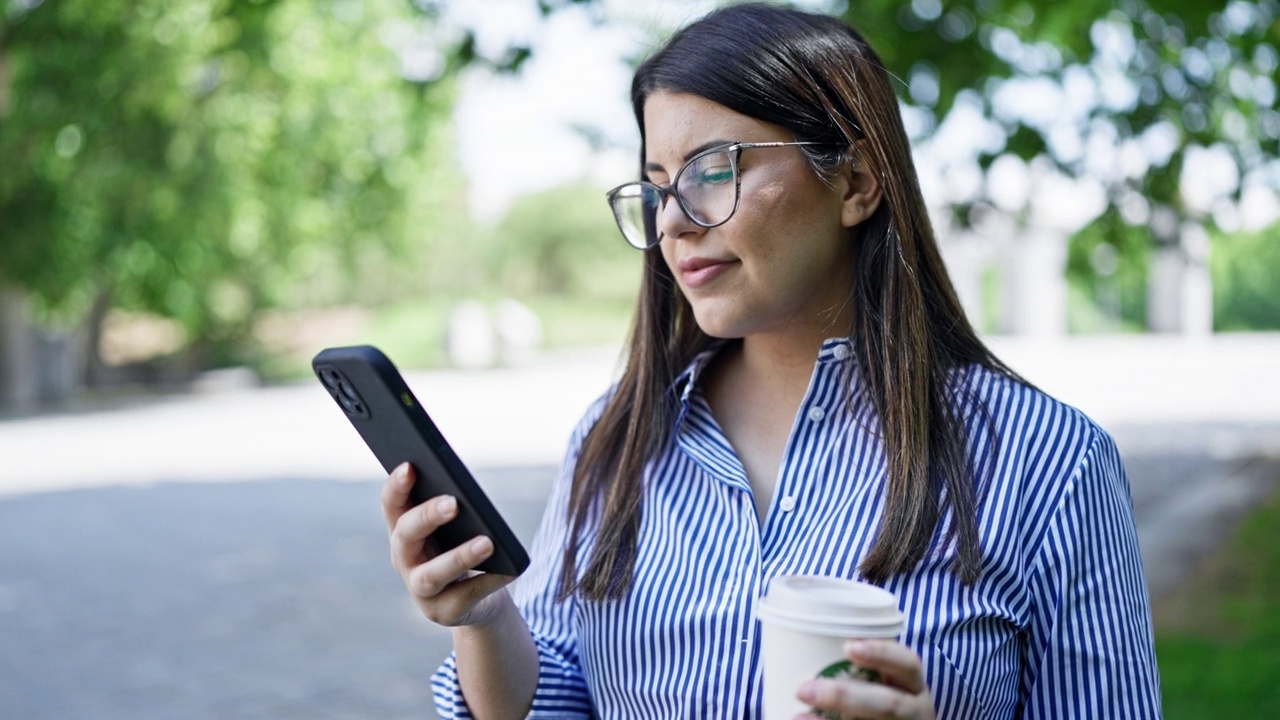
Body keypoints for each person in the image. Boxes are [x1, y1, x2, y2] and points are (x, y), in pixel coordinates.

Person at [381, 4, 1162, 718]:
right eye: (658, 188)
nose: (676, 224)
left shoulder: (1049, 461)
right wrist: (484, 619)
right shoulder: (617, 437)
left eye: (715, 170)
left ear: (855, 181)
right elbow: (555, 700)